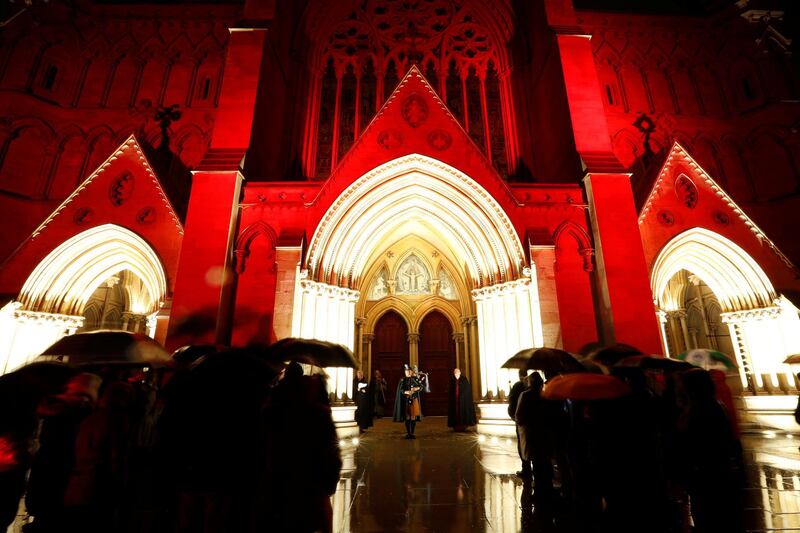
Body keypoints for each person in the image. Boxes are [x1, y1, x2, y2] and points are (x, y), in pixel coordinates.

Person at [507, 368, 530, 478]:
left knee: (522, 445)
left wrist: (514, 417)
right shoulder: (532, 386)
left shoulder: (517, 386)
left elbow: (511, 403)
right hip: (532, 421)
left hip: (521, 421)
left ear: (519, 375)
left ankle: (526, 469)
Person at [393, 366, 422, 439]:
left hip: (414, 399)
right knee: (407, 417)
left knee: (413, 417)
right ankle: (408, 433)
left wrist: (416, 388)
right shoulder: (402, 380)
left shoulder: (415, 379)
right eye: (407, 371)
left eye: (409, 371)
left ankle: (412, 433)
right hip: (406, 400)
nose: (408, 372)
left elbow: (421, 387)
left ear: (411, 372)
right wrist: (406, 392)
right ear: (405, 372)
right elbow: (401, 389)